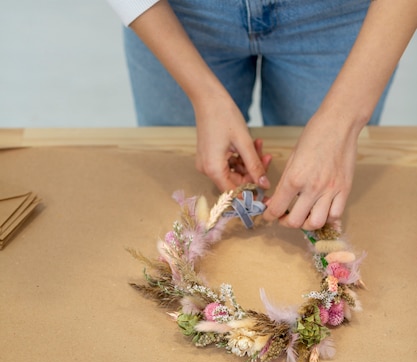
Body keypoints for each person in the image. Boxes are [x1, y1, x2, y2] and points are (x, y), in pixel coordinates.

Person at [107, 0, 417, 230]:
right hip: (175, 12)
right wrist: (203, 94)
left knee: (317, 198)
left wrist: (341, 121)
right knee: (180, 187)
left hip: (339, 16)